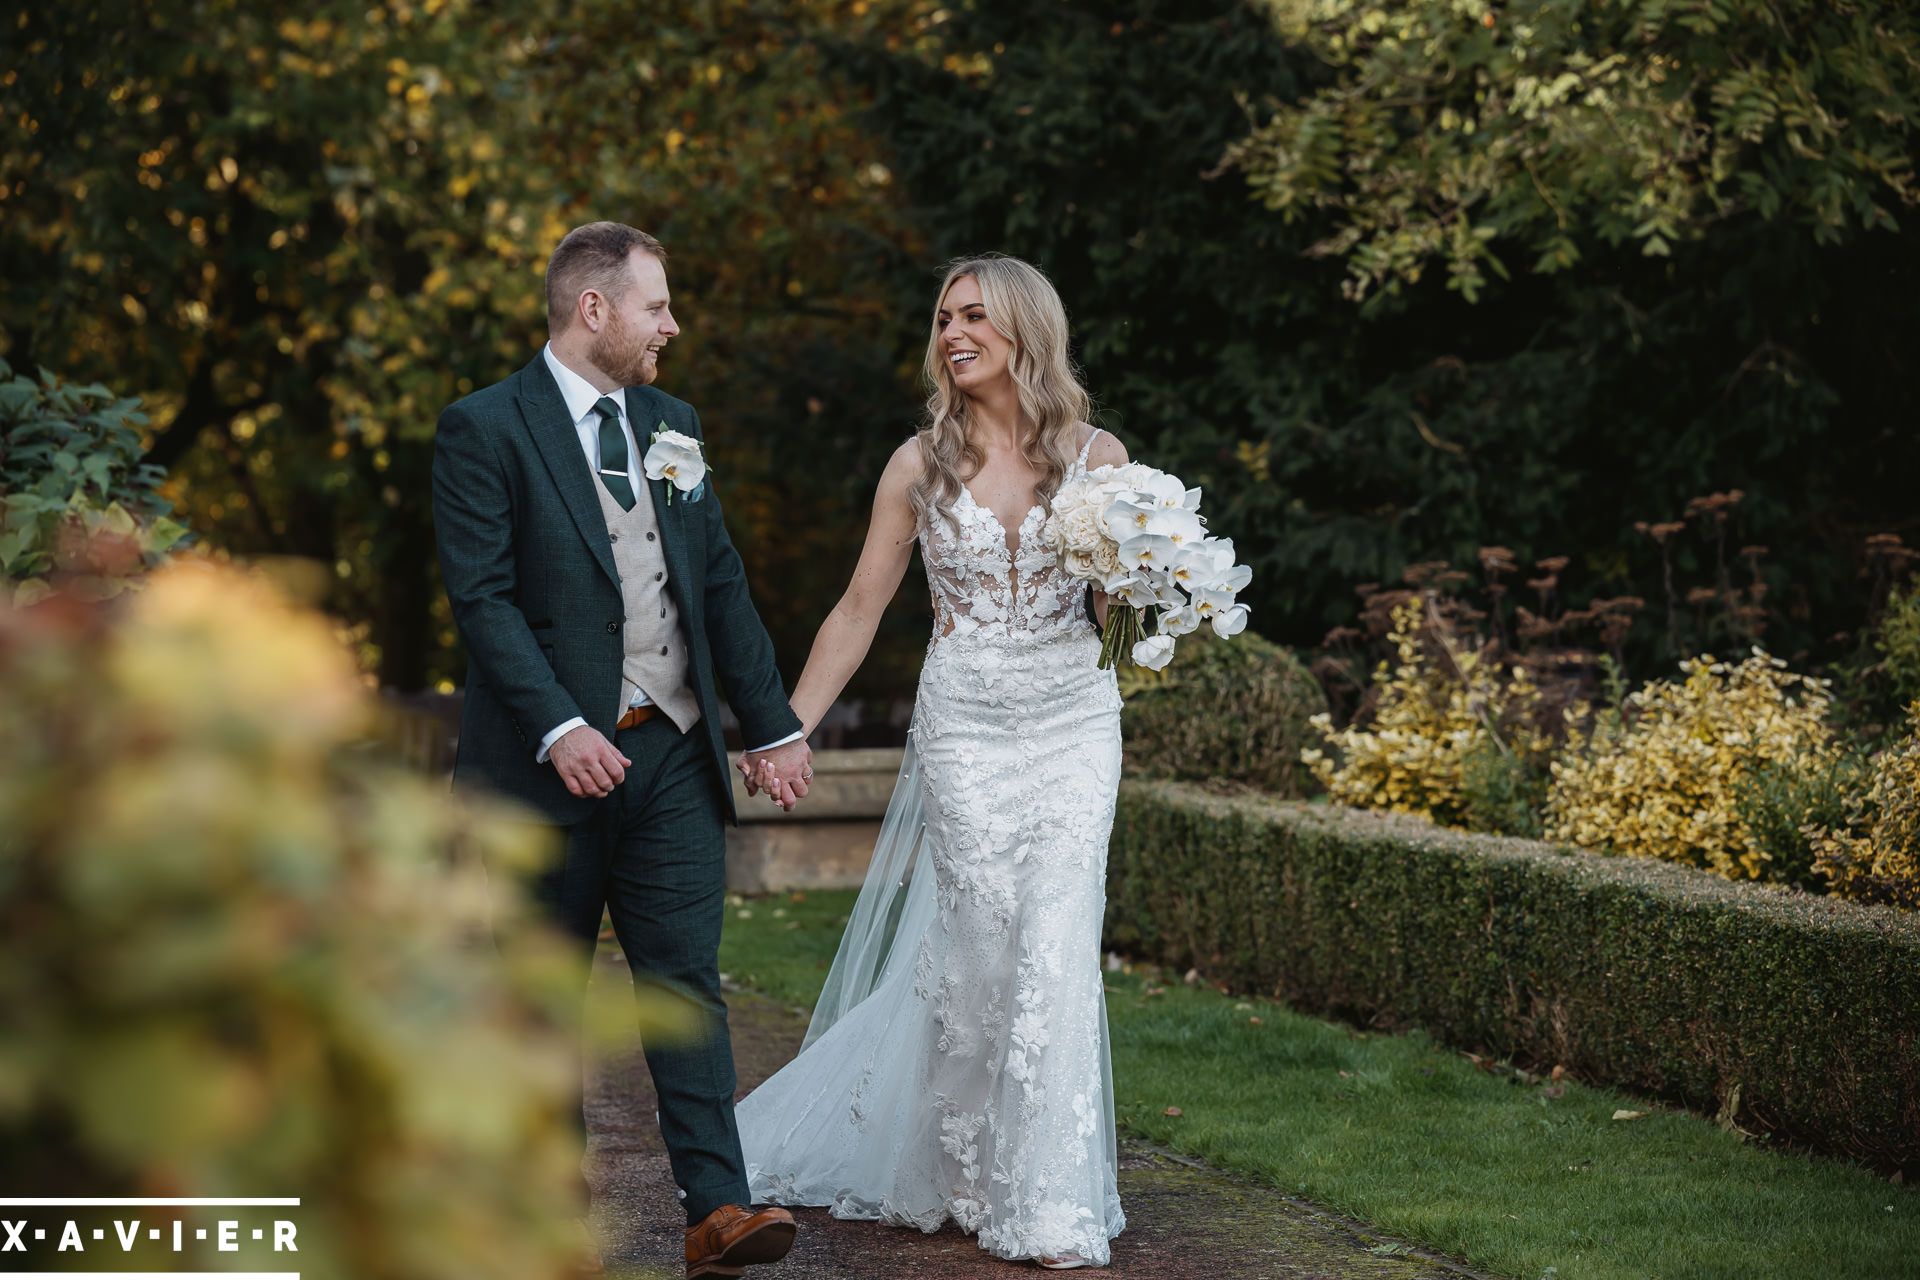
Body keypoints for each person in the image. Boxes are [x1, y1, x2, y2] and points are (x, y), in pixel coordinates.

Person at [431, 221, 812, 1279]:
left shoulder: (672, 423)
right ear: (593, 308)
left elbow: (718, 584)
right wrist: (562, 725)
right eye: (658, 305)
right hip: (540, 766)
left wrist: (771, 723)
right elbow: (485, 599)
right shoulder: (484, 427)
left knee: (686, 982)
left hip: (674, 756)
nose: (672, 325)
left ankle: (717, 1211)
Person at [735, 254, 1129, 1269]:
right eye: (945, 317)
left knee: (1055, 937)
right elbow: (859, 607)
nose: (954, 333)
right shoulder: (918, 463)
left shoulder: (1099, 459)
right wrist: (790, 726)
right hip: (964, 724)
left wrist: (1154, 574)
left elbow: (1119, 620)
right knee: (984, 944)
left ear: (1022, 330)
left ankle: (1045, 1195)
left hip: (1074, 720)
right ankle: (960, 1168)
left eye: (974, 317)